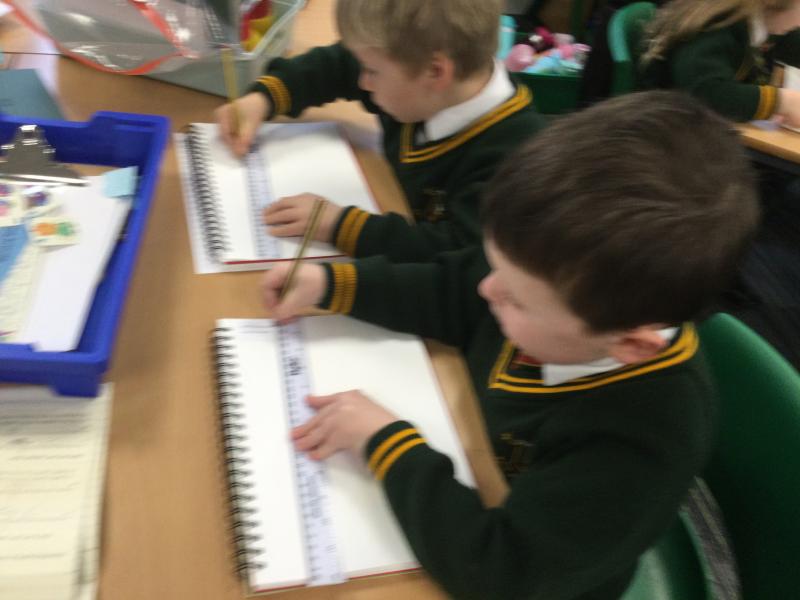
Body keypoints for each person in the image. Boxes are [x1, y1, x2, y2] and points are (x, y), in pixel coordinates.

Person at [258, 91, 760, 599]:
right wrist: (332, 284)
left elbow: (504, 572)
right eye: (496, 267)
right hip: (482, 463)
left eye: (516, 299)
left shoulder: (641, 441)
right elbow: (454, 291)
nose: (487, 289)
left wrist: (387, 444)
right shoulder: (553, 279)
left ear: (632, 345)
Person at [215, 0, 546, 263]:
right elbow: (342, 64)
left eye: (372, 71)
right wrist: (265, 98)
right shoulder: (424, 86)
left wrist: (342, 226)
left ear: (435, 72)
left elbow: (455, 258)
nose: (363, 81)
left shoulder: (514, 163)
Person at [641, 0, 800, 125]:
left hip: (693, 129)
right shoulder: (717, 25)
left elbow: (792, 43)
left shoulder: (764, 20)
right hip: (663, 133)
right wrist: (782, 102)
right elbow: (708, 94)